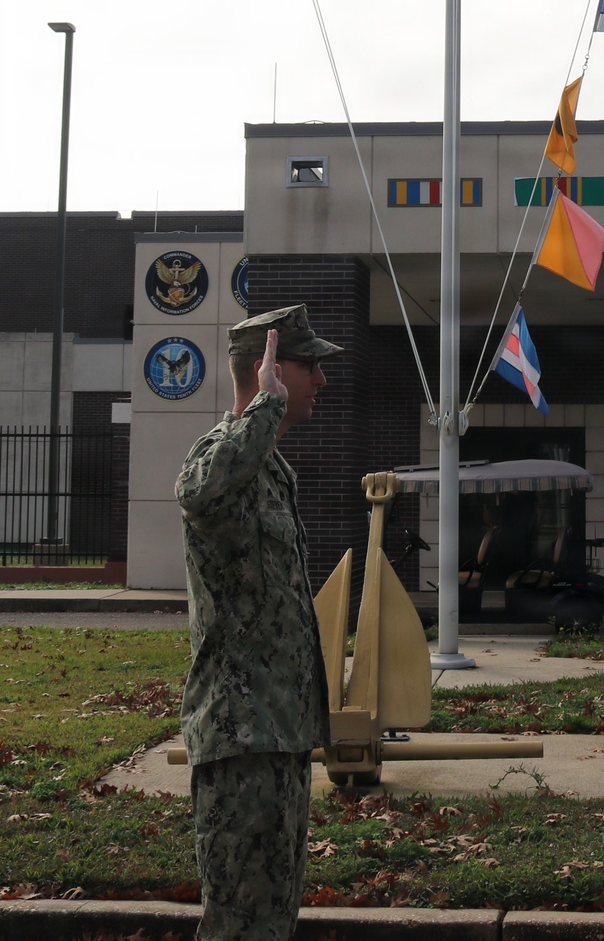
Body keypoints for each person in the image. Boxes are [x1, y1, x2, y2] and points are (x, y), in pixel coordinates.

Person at [175, 304, 341, 941]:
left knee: (270, 919)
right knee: (239, 925)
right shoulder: (222, 459)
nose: (320, 383)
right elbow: (198, 492)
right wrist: (261, 411)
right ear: (268, 370)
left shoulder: (267, 470)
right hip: (241, 738)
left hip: (278, 736)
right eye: (309, 367)